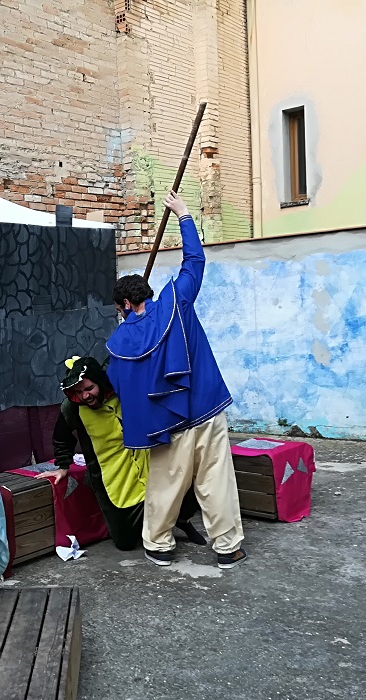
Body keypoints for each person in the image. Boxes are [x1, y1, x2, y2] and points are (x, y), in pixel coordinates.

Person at [106, 191, 246, 568]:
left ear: (124, 305)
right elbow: (194, 260)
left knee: (165, 484)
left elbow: (118, 388)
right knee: (216, 480)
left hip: (166, 426)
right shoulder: (177, 301)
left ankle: (158, 545)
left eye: (119, 309)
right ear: (145, 294)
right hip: (206, 407)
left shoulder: (119, 343)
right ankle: (228, 548)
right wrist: (183, 214)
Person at [35, 355, 207, 551]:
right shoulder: (73, 407)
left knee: (181, 481)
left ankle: (181, 520)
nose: (85, 396)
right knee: (125, 543)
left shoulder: (121, 389)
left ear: (100, 382)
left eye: (89, 388)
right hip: (113, 475)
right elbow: (62, 436)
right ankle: (156, 523)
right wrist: (63, 466)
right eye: (79, 391)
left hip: (146, 458)